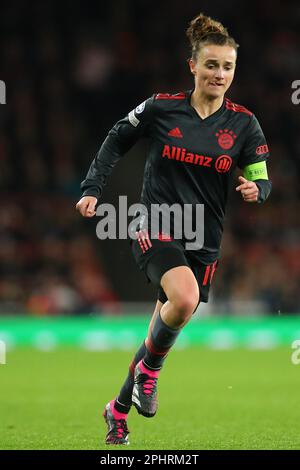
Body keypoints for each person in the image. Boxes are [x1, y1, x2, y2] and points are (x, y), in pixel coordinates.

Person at [76, 12, 271, 445]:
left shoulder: (244, 124)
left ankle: (117, 410)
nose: (220, 74)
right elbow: (116, 138)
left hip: (205, 238)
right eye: (212, 65)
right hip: (156, 223)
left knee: (160, 329)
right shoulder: (162, 109)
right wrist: (93, 187)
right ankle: (150, 373)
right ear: (193, 67)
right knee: (184, 299)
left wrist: (258, 188)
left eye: (228, 66)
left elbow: (262, 174)